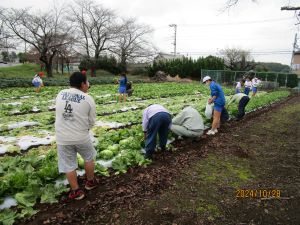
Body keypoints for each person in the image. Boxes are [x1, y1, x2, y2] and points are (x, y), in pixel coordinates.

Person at [55, 72, 98, 200]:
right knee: (89, 157)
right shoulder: (88, 98)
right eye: (87, 82)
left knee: (68, 164)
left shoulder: (60, 93)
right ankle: (90, 182)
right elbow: (91, 122)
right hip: (81, 136)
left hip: (62, 137)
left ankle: (76, 191)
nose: (88, 85)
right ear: (83, 84)